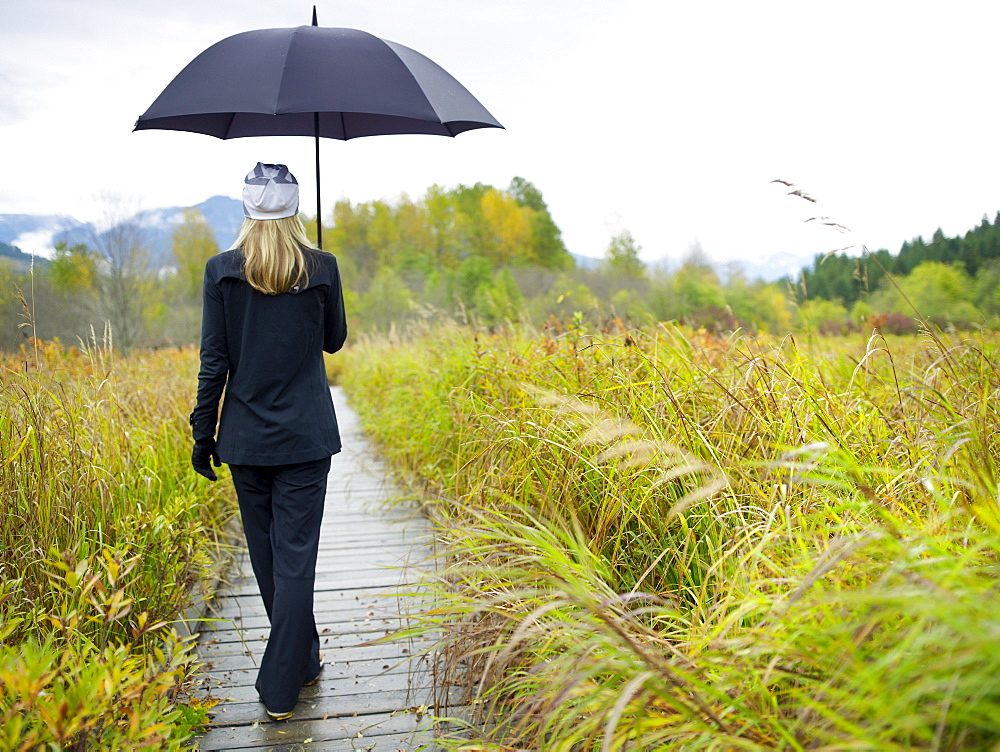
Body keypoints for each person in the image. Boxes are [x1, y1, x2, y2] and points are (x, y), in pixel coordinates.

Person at [189, 162, 347, 720]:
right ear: (296, 209)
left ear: (247, 209)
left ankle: (281, 679)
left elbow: (215, 362)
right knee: (294, 560)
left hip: (247, 440)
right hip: (306, 437)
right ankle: (297, 664)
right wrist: (317, 284)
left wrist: (202, 434)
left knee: (268, 560)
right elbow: (335, 341)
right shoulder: (322, 266)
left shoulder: (221, 272)